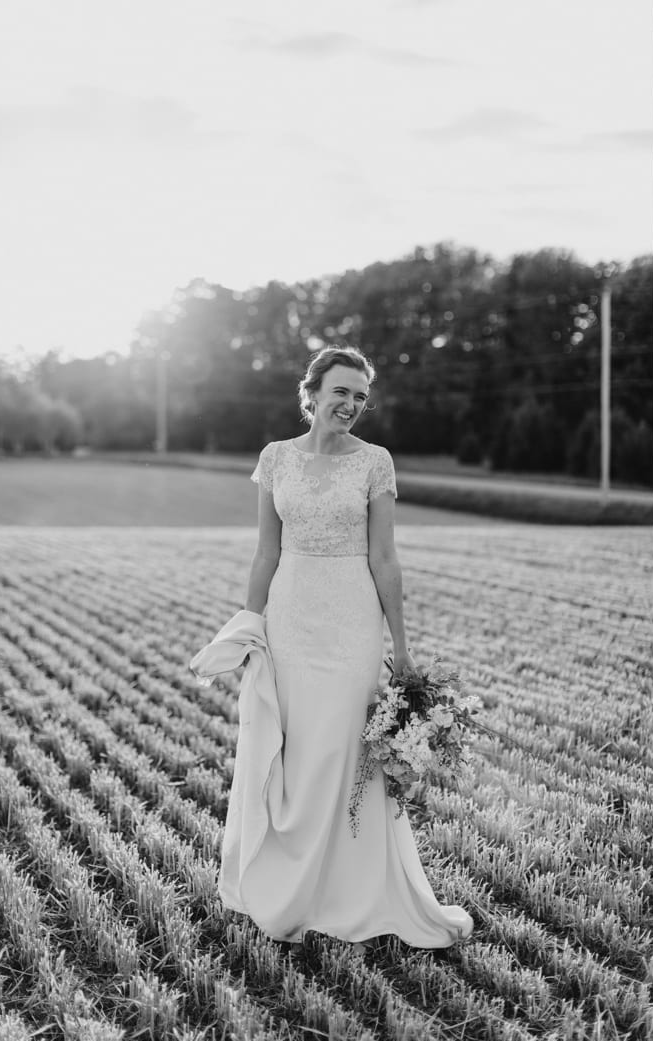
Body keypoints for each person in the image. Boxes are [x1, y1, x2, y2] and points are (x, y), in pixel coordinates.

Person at [220, 344, 473, 950]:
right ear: (311, 395)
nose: (352, 405)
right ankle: (288, 884)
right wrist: (251, 625)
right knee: (295, 747)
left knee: (342, 747)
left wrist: (402, 648)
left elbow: (385, 557)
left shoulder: (375, 463)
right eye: (341, 392)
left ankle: (349, 891)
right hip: (289, 617)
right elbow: (265, 552)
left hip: (352, 620)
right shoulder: (275, 458)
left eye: (361, 396)